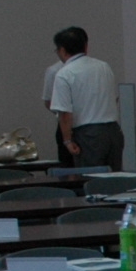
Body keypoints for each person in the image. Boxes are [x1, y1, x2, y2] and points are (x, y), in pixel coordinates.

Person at [50, 27, 123, 171]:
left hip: (88, 134)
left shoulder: (64, 74)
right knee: (114, 177)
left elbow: (65, 113)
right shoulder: (104, 66)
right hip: (113, 131)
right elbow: (113, 98)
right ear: (86, 46)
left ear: (62, 50)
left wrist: (67, 141)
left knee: (90, 177)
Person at [41, 31, 72, 167]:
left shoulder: (93, 68)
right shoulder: (54, 70)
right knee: (68, 164)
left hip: (83, 125)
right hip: (66, 124)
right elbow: (48, 102)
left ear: (62, 50)